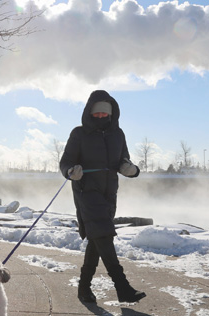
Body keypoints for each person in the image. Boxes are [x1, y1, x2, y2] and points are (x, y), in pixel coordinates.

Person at [59, 90, 146, 304]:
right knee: (104, 236)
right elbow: (65, 162)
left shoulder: (118, 134)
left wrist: (131, 169)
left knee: (98, 239)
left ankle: (83, 287)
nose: (100, 117)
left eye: (103, 114)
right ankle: (122, 287)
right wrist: (71, 171)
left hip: (109, 193)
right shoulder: (78, 134)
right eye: (96, 114)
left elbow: (123, 160)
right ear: (89, 113)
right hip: (86, 192)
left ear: (111, 114)